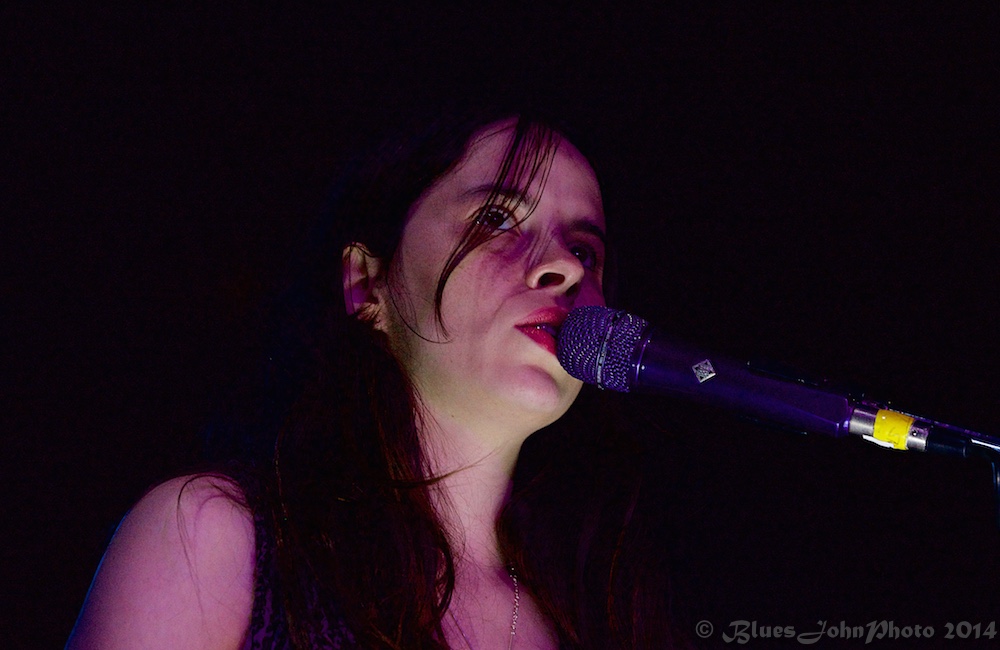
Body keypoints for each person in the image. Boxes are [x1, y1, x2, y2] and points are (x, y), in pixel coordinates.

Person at [66, 109, 681, 649]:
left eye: (585, 251)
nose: (563, 267)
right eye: (496, 217)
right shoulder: (215, 536)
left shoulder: (604, 611)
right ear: (365, 284)